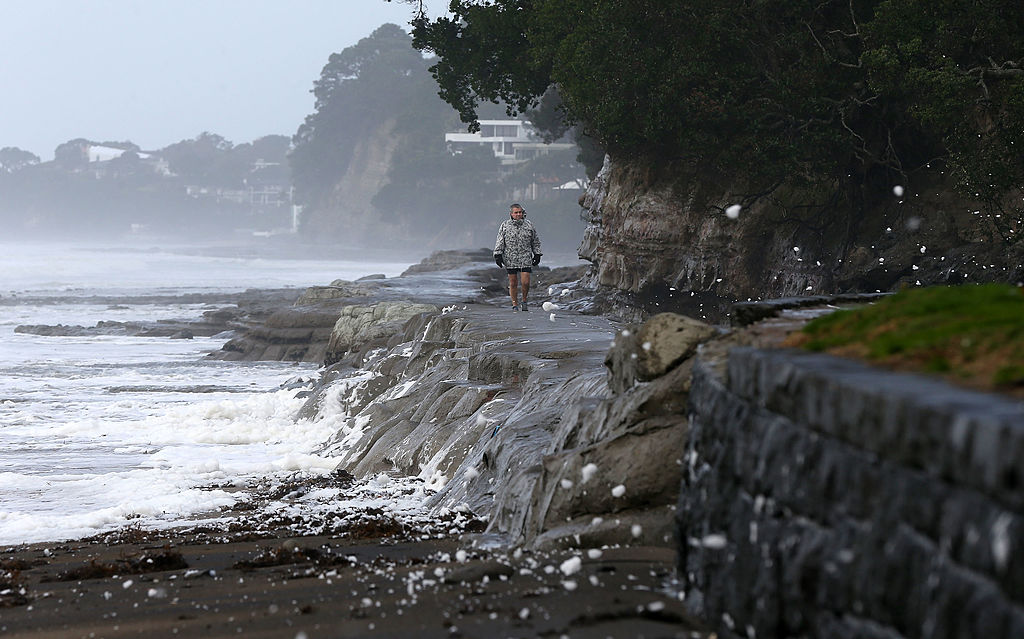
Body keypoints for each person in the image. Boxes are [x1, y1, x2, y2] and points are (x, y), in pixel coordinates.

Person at [493, 203, 542, 311]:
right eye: (516, 212)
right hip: (510, 258)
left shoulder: (529, 225)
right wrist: (498, 254)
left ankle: (524, 301)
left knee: (525, 282)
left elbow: (535, 241)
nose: (518, 214)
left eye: (520, 212)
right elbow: (500, 240)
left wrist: (537, 254)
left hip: (525, 257)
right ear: (511, 214)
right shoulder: (505, 225)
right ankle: (514, 304)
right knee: (513, 282)